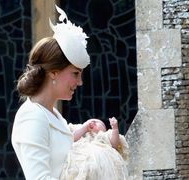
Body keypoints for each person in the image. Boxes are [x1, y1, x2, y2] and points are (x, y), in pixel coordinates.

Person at [11, 5, 91, 180]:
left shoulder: (51, 113)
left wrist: (88, 130)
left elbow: (62, 147)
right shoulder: (32, 116)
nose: (80, 82)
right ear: (53, 72)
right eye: (75, 74)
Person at [60, 117, 130, 180]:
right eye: (89, 121)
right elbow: (72, 139)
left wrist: (115, 128)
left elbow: (114, 144)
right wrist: (84, 128)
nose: (93, 122)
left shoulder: (104, 136)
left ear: (104, 129)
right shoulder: (82, 135)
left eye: (97, 122)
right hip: (82, 159)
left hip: (101, 165)